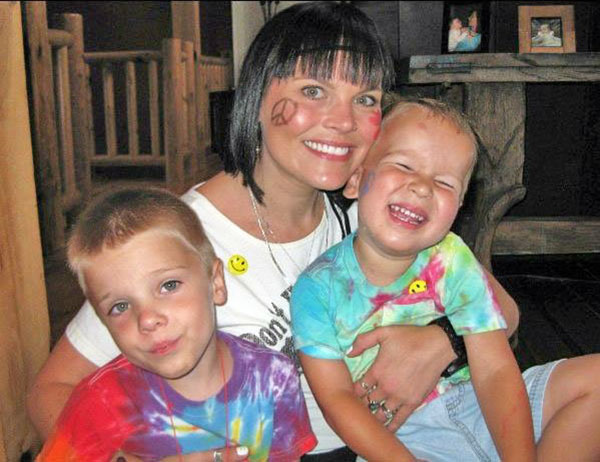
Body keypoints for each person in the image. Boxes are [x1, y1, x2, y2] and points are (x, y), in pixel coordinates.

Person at [27, 3, 520, 460]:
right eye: (312, 91)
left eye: (364, 98)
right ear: (260, 96)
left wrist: (441, 344)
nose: (343, 121)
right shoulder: (175, 235)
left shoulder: (370, 206)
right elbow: (52, 391)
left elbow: (507, 312)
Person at [290, 97, 600, 461]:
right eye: (404, 165)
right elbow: (339, 402)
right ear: (356, 178)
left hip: (481, 407)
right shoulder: (315, 289)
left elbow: (496, 370)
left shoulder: (452, 259)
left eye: (444, 182)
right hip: (401, 440)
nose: (422, 187)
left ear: (459, 208)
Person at [37, 187, 317, 461]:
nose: (147, 319)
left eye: (168, 285)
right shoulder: (97, 406)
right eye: (120, 306)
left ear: (215, 282)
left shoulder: (274, 378)